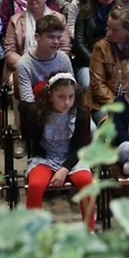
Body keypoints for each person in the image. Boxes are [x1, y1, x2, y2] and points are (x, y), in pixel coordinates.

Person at [24, 73, 95, 229]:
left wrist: (65, 169)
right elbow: (33, 143)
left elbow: (80, 147)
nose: (67, 102)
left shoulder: (80, 114)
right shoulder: (39, 113)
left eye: (71, 96)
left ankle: (89, 230)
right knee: (36, 185)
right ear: (50, 96)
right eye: (61, 97)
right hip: (46, 158)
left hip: (72, 158)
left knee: (86, 182)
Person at [15, 16, 75, 113]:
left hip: (63, 108)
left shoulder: (64, 59)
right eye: (51, 37)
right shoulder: (24, 63)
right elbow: (28, 101)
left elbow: (72, 89)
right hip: (37, 112)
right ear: (37, 37)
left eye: (58, 37)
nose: (56, 42)